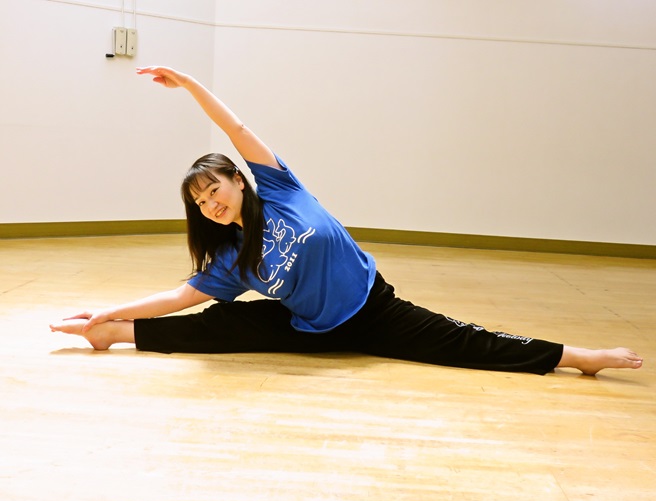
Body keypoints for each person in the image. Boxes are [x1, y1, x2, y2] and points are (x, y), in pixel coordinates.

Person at [50, 66, 643, 377]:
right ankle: (110, 336)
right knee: (213, 328)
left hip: (372, 310)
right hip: (307, 328)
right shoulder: (229, 258)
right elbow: (179, 297)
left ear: (238, 180)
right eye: (200, 204)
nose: (211, 205)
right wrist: (110, 312)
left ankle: (579, 357)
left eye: (214, 190)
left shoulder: (279, 188)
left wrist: (189, 85)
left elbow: (237, 129)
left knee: (467, 343)